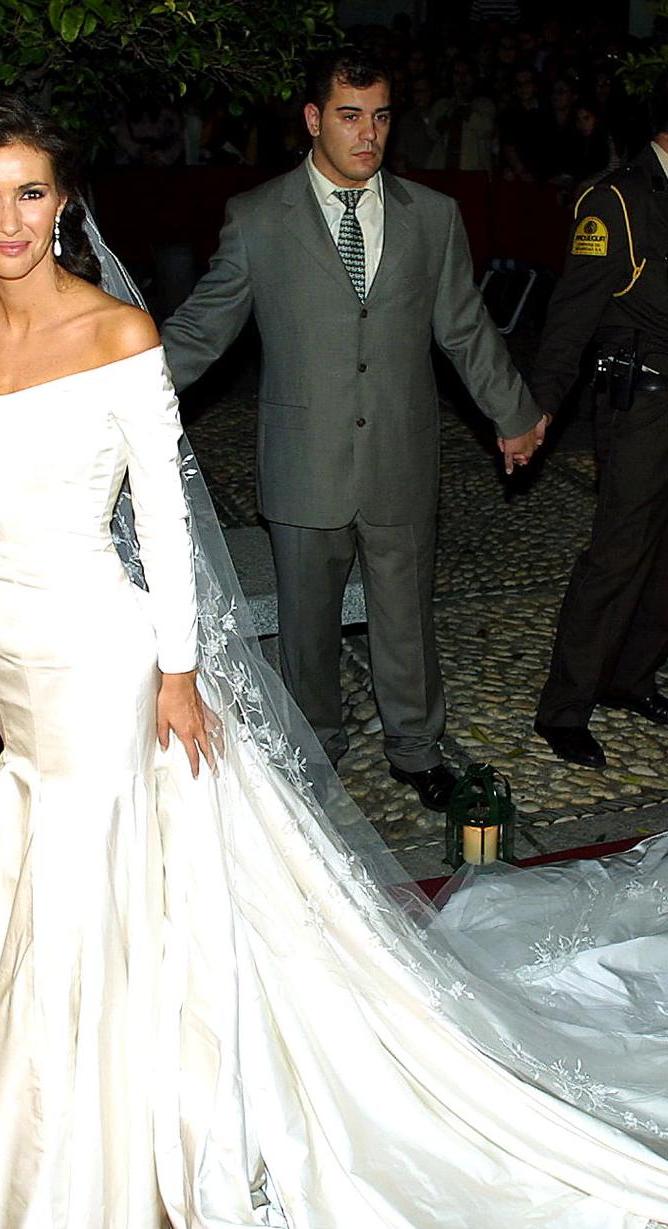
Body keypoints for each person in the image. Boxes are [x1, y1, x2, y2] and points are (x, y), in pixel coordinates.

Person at [0, 92, 668, 1229]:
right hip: (0, 635)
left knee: (106, 861)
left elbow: (162, 515)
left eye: (31, 193)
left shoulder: (117, 333)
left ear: (64, 203)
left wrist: (174, 671)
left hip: (107, 647)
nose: (9, 219)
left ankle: (123, 1135)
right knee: (42, 850)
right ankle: (44, 1110)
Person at [160, 47, 545, 813]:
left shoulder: (430, 217)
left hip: (401, 451)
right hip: (304, 458)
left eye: (380, 117)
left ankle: (416, 749)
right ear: (312, 119)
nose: (367, 134)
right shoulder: (259, 217)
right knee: (307, 625)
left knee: (406, 616)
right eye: (348, 116)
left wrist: (514, 412)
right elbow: (203, 331)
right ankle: (315, 746)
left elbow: (464, 326)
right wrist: (117, 391)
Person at [530, 87, 668, 769]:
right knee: (617, 557)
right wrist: (538, 409)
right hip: (641, 403)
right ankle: (564, 707)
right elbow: (570, 317)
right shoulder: (618, 200)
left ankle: (629, 677)